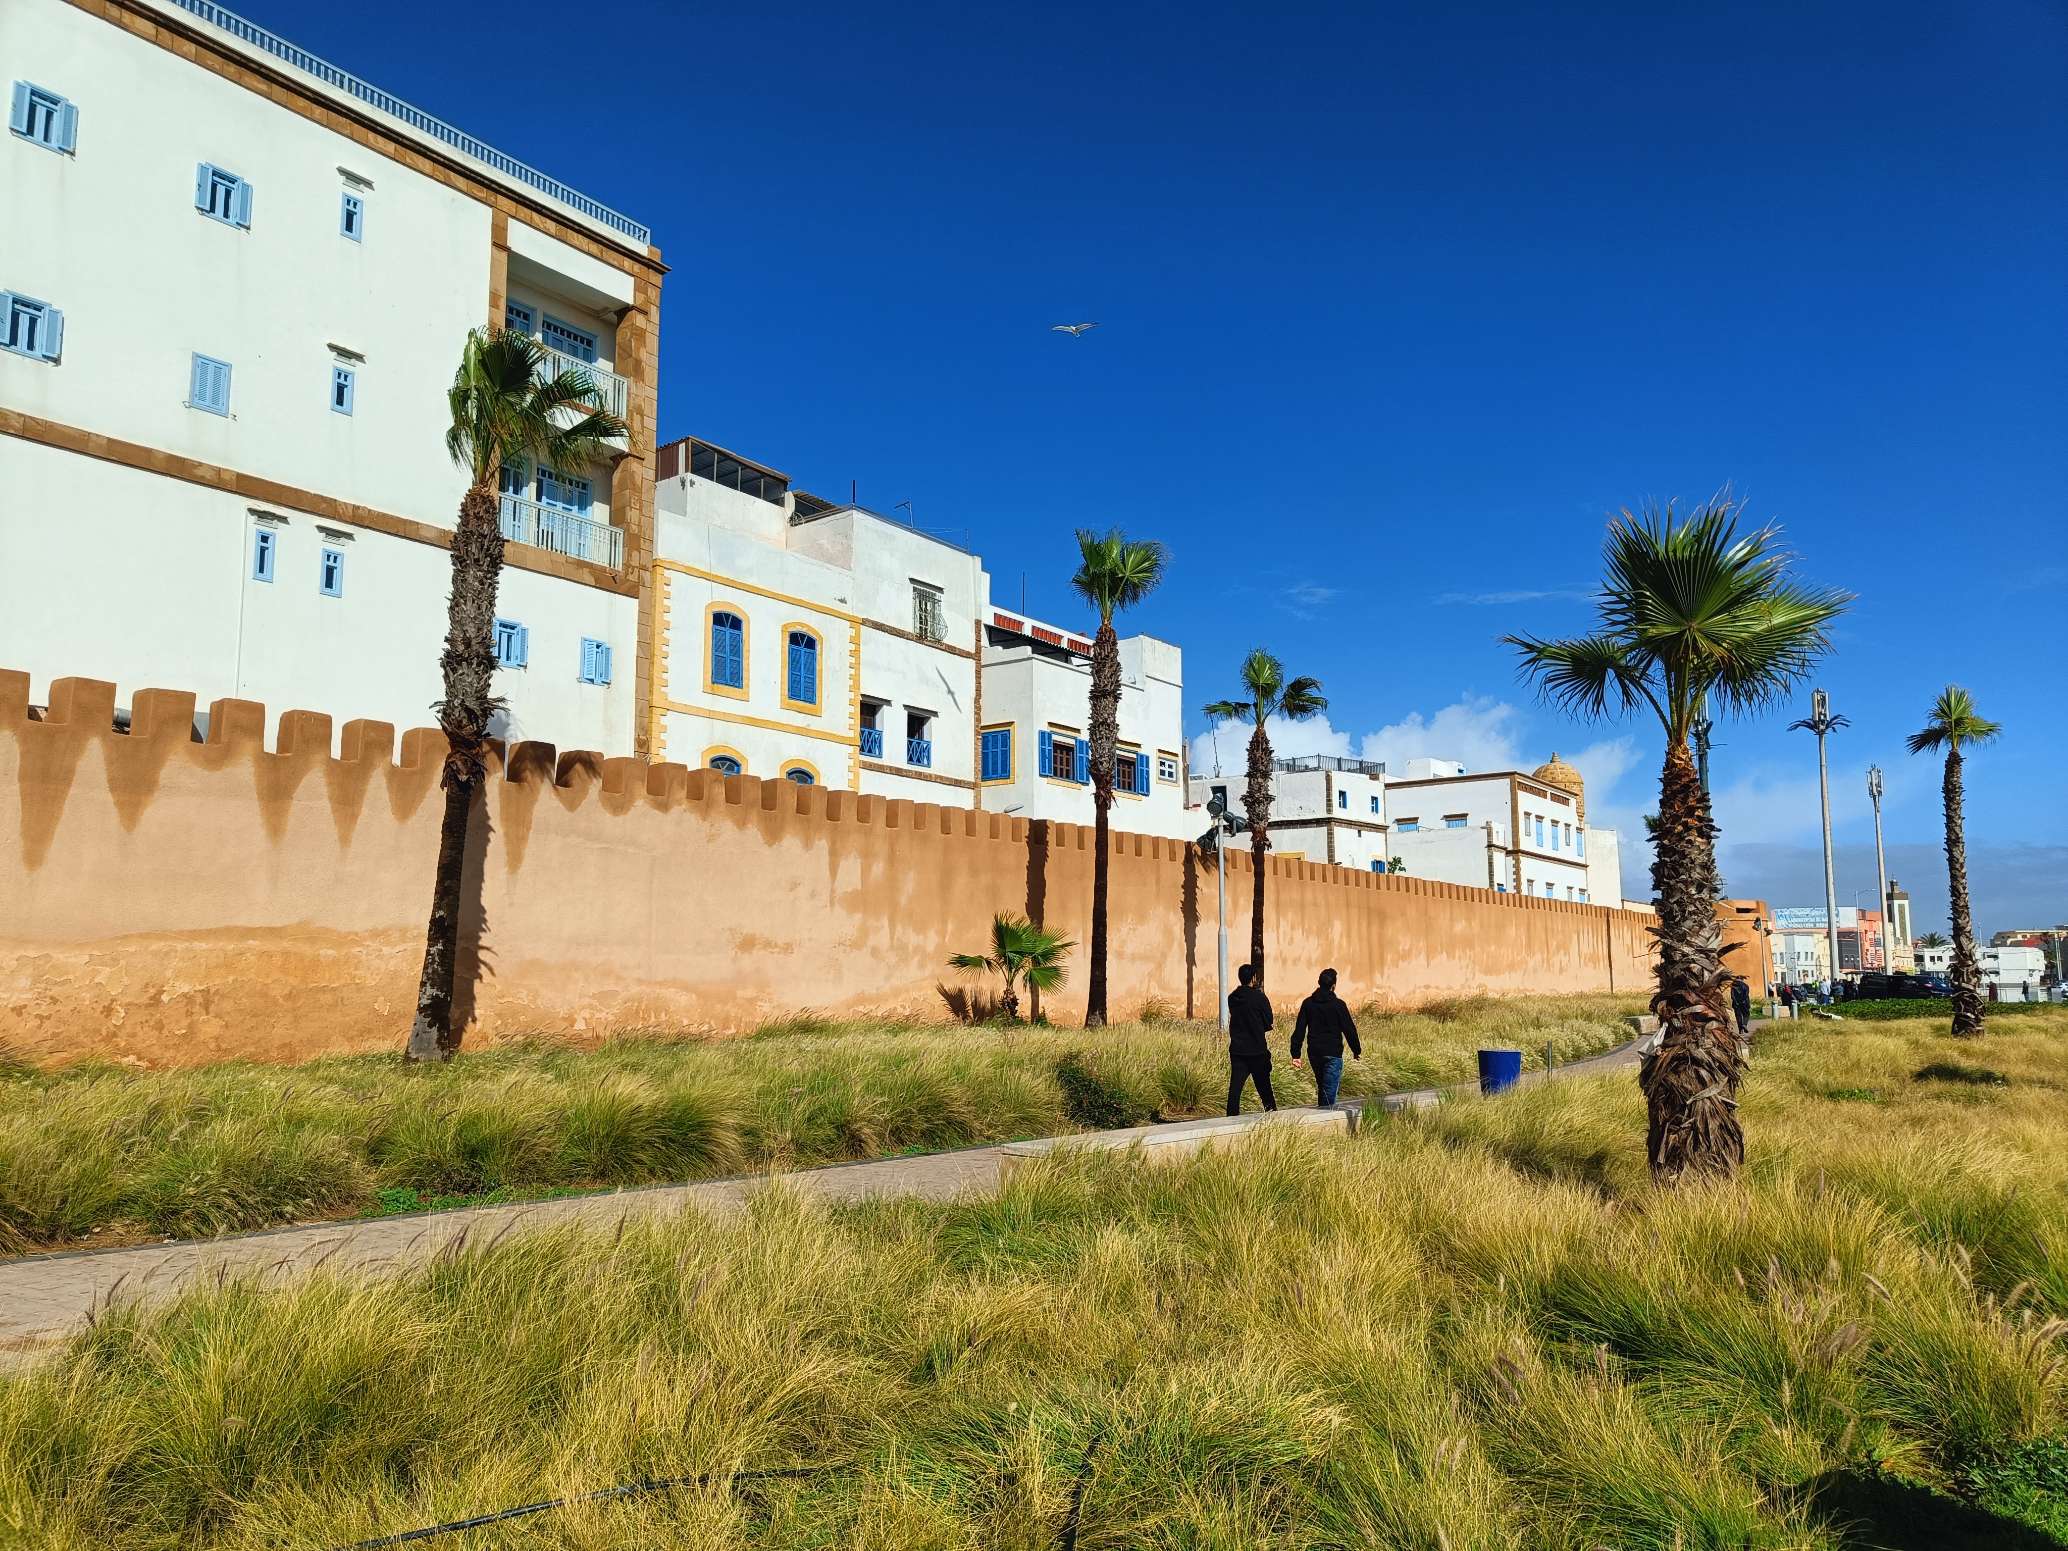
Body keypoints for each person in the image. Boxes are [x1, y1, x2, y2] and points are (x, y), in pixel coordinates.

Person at [1291, 967, 1362, 1106]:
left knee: (1323, 1088)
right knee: (1328, 1094)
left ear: (1319, 982)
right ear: (1333, 986)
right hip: (1332, 1053)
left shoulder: (1308, 1003)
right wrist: (1356, 1050)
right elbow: (1349, 1029)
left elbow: (1299, 1029)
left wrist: (1296, 1054)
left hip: (1314, 1053)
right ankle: (1326, 1115)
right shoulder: (1338, 1005)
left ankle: (1321, 1114)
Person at [1226, 962, 1276, 1116]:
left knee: (1235, 1089)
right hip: (1257, 1049)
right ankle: (1272, 1116)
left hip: (1238, 1049)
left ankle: (1231, 1118)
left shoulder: (1232, 998)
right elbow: (1269, 1020)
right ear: (1253, 978)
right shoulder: (1259, 998)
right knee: (1265, 1088)